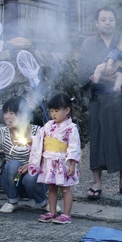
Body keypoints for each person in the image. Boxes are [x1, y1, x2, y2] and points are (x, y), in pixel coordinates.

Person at [78, 7, 122, 200]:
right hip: (99, 98)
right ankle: (97, 182)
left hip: (120, 98)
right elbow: (84, 70)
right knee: (98, 139)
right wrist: (107, 77)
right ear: (96, 23)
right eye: (103, 19)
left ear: (115, 22)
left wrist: (119, 70)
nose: (107, 22)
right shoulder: (89, 44)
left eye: (111, 19)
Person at [28, 93, 80, 224]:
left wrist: (72, 164)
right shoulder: (48, 125)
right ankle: (52, 211)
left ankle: (66, 214)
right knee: (51, 187)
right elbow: (39, 139)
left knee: (65, 188)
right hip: (49, 161)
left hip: (63, 162)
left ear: (67, 110)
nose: (53, 114)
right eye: (51, 111)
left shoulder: (71, 128)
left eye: (56, 111)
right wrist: (31, 141)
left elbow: (74, 146)